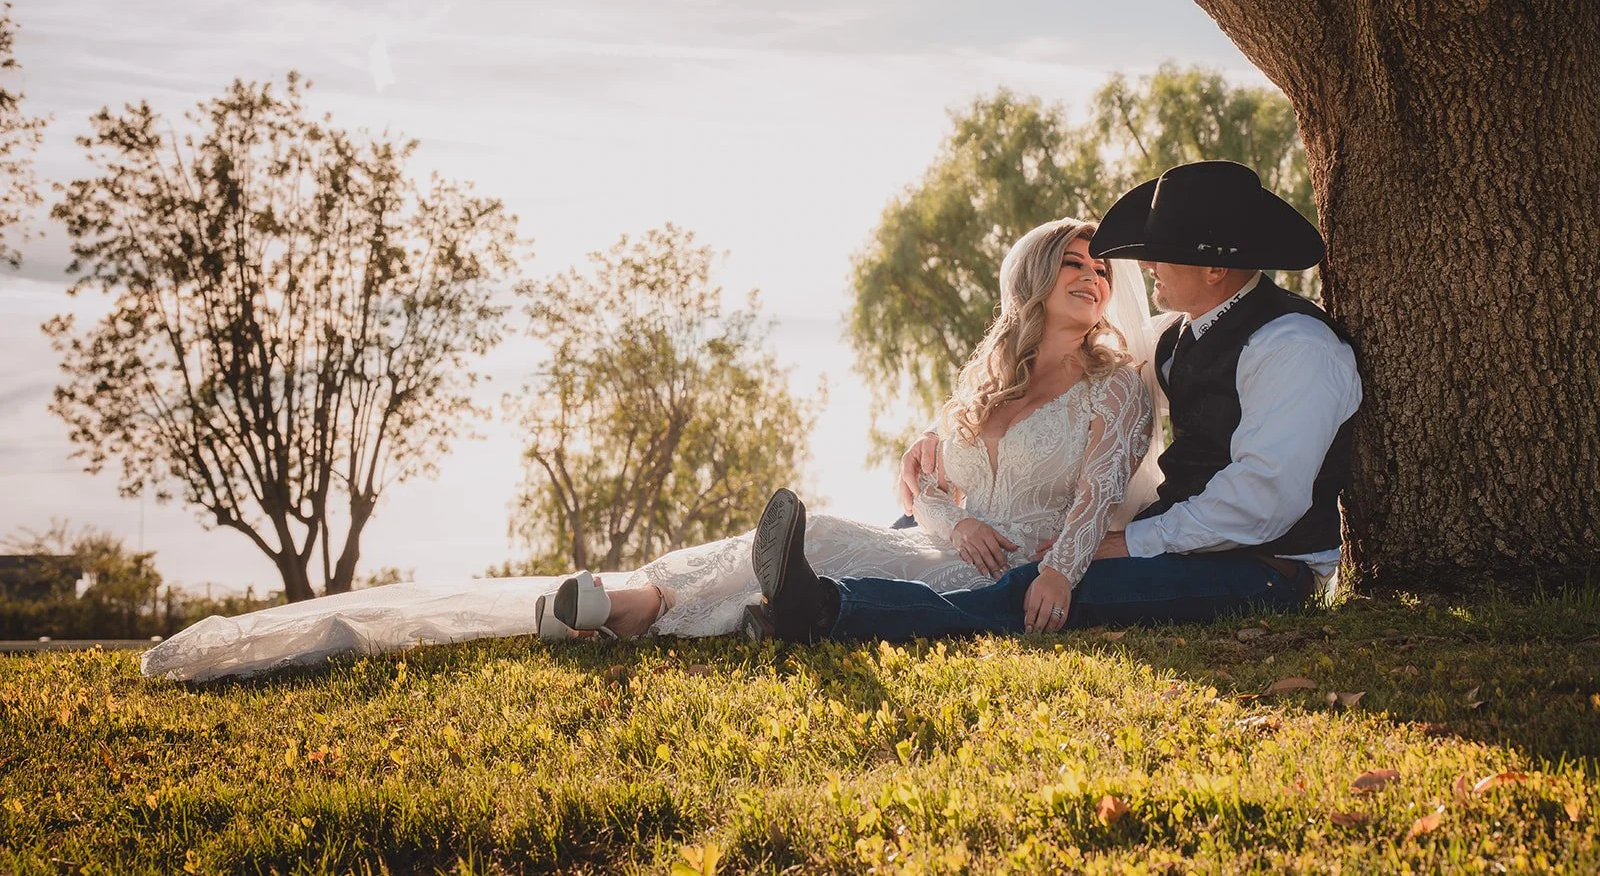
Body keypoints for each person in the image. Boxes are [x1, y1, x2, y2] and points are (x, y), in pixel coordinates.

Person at [141, 218, 1157, 682]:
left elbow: (1096, 495)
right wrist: (957, 515)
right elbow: (923, 486)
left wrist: (1057, 571)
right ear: (1029, 281)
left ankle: (633, 608)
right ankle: (627, 602)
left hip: (1017, 568)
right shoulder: (980, 386)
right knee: (837, 531)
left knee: (835, 545)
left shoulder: (1116, 386)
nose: (1090, 274)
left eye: (1099, 266)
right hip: (946, 546)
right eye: (1069, 260)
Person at [754, 159, 1362, 642]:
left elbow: (1264, 498)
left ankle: (831, 610)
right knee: (923, 533)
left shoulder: (1294, 347)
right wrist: (938, 439)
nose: (1143, 266)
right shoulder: (1178, 336)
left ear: (1214, 269)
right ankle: (800, 589)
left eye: (1163, 249)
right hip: (1184, 539)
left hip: (1264, 567)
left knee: (1048, 589)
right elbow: (1060, 382)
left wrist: (1129, 542)